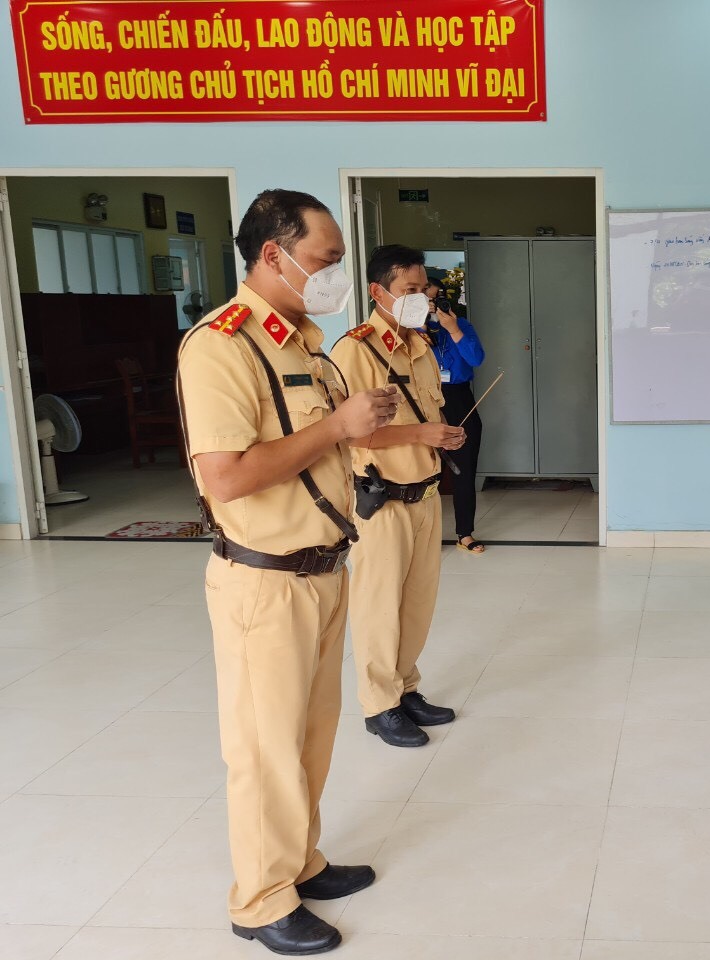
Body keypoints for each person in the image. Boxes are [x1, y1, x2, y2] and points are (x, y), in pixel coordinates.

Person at [176, 189, 400, 956]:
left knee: (311, 736)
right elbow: (227, 477)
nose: (333, 274)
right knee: (264, 747)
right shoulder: (221, 346)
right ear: (272, 255)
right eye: (324, 261)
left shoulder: (302, 342)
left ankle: (299, 862)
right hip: (264, 582)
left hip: (323, 568)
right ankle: (260, 898)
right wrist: (337, 427)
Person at [330, 246, 465, 748]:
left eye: (423, 290)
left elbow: (425, 417)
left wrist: (443, 434)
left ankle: (406, 688)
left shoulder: (421, 347)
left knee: (416, 603)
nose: (421, 300)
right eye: (410, 291)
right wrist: (420, 436)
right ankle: (378, 705)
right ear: (377, 291)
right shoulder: (356, 352)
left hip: (425, 495)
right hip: (381, 500)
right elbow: (348, 434)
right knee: (379, 606)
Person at [425, 274, 488, 554]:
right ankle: (424, 536)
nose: (432, 304)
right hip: (424, 400)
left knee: (464, 469)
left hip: (459, 397)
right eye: (426, 299)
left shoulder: (460, 325)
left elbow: (476, 359)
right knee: (424, 470)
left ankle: (465, 533)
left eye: (437, 298)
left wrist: (453, 330)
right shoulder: (406, 330)